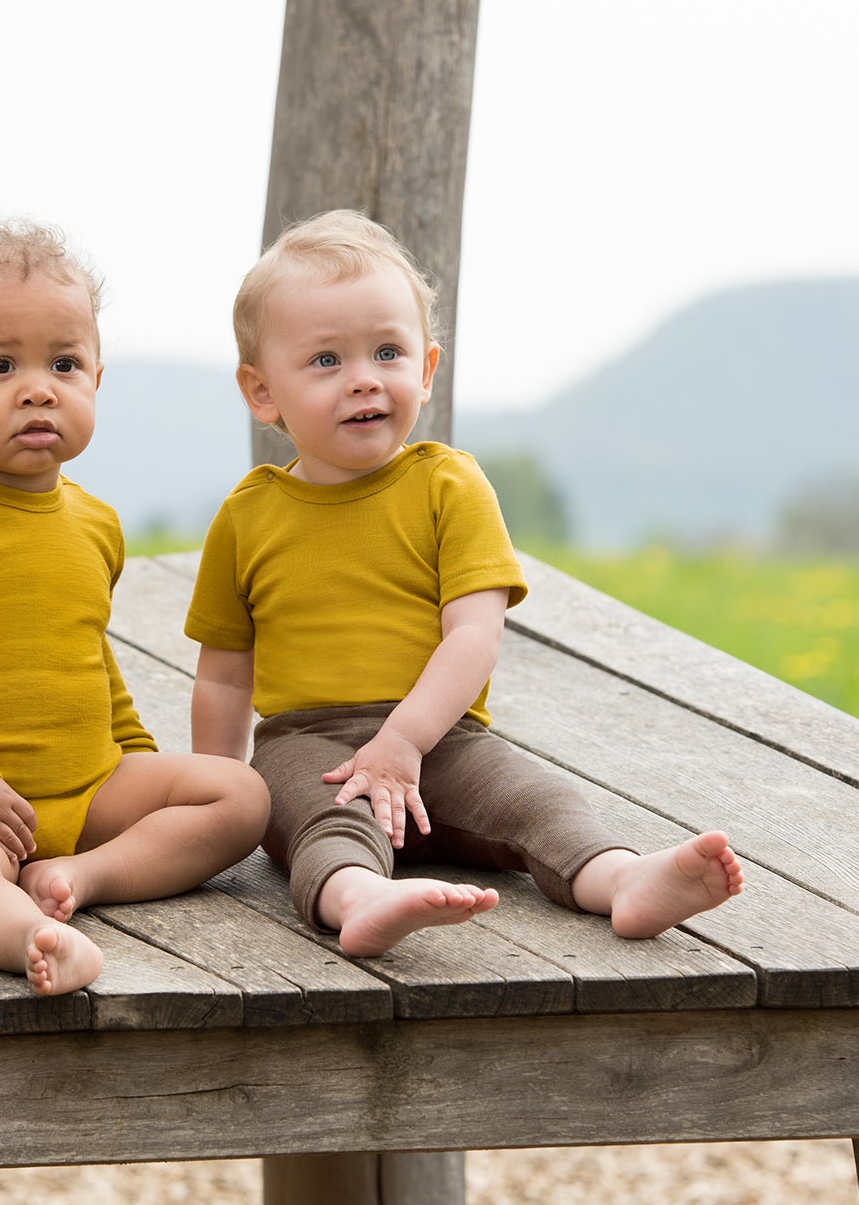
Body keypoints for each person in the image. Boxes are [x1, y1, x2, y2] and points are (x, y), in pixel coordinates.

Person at [186, 210, 743, 957]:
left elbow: (474, 635)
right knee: (323, 827)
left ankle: (622, 879)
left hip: (441, 737)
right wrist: (217, 795)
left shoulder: (448, 485)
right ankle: (363, 898)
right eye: (325, 361)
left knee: (533, 802)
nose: (363, 380)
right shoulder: (247, 516)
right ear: (261, 391)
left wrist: (404, 740)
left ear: (424, 369)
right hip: (308, 745)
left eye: (387, 352)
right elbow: (223, 677)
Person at [0, 220, 268, 995]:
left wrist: (136, 760)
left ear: (95, 379)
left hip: (89, 791)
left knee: (239, 794)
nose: (38, 388)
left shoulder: (95, 523)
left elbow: (89, 656)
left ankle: (85, 877)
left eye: (63, 364)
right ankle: (29, 937)